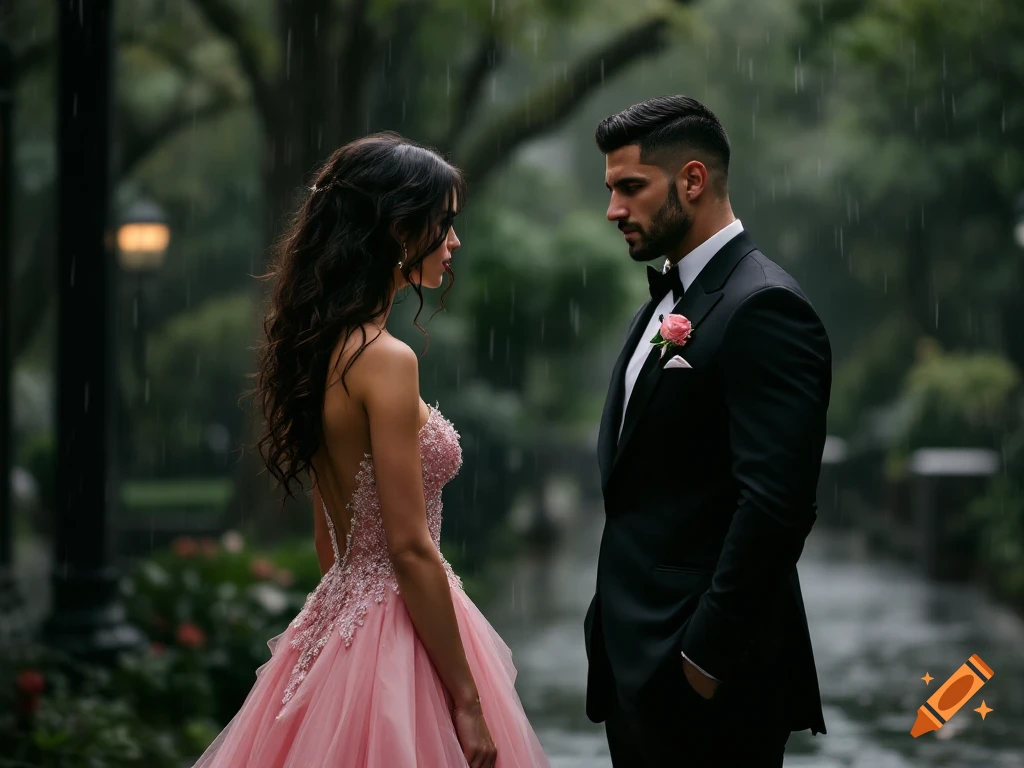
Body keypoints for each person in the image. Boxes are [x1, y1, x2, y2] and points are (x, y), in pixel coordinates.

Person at [192, 132, 549, 768]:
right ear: (397, 230)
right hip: (394, 622)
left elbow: (333, 534)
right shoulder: (386, 360)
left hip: (340, 615)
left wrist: (347, 614)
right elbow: (410, 547)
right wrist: (465, 699)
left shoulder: (324, 349)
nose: (454, 243)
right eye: (444, 225)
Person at [583, 95, 832, 766]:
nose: (613, 209)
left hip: (707, 686)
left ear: (691, 180)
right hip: (637, 670)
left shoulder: (764, 306)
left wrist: (702, 662)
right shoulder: (674, 298)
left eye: (630, 187)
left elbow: (777, 506)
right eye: (610, 189)